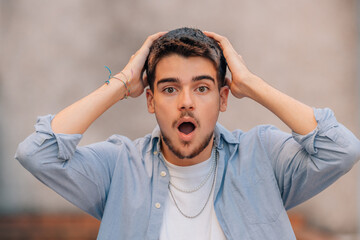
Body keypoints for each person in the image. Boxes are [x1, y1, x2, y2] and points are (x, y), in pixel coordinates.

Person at [16, 27, 360, 240]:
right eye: (168, 89)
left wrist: (251, 84)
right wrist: (121, 82)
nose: (186, 103)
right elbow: (38, 153)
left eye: (202, 88)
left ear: (223, 97)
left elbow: (341, 149)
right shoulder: (118, 166)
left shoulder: (262, 156)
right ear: (150, 100)